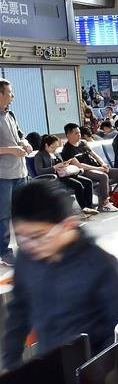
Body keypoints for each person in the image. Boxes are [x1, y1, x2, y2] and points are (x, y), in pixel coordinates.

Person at [1, 181, 118, 369]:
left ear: (68, 225)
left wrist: (96, 381)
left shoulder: (101, 265)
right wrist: (11, 365)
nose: (30, 245)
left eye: (38, 236)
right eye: (22, 237)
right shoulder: (28, 256)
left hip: (91, 378)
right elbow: (19, 312)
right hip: (49, 371)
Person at [60, 123, 118, 213]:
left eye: (79, 133)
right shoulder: (67, 150)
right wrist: (99, 169)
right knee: (103, 176)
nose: (79, 135)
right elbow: (79, 165)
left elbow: (94, 155)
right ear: (68, 135)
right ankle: (105, 204)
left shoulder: (82, 143)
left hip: (96, 168)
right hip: (84, 171)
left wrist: (103, 164)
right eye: (76, 133)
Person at [0, 79, 31, 266]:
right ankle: (5, 252)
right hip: (3, 176)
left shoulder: (10, 114)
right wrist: (11, 149)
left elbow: (20, 134)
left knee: (22, 213)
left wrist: (24, 142)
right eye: (10, 92)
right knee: (4, 216)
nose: (13, 96)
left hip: (21, 173)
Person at [34, 135, 99, 216]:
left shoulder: (55, 153)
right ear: (46, 145)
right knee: (78, 185)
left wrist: (64, 164)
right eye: (53, 147)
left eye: (56, 147)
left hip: (64, 174)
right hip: (55, 178)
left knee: (88, 182)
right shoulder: (39, 155)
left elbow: (60, 162)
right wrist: (55, 167)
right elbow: (39, 171)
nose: (55, 149)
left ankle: (89, 206)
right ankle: (84, 208)